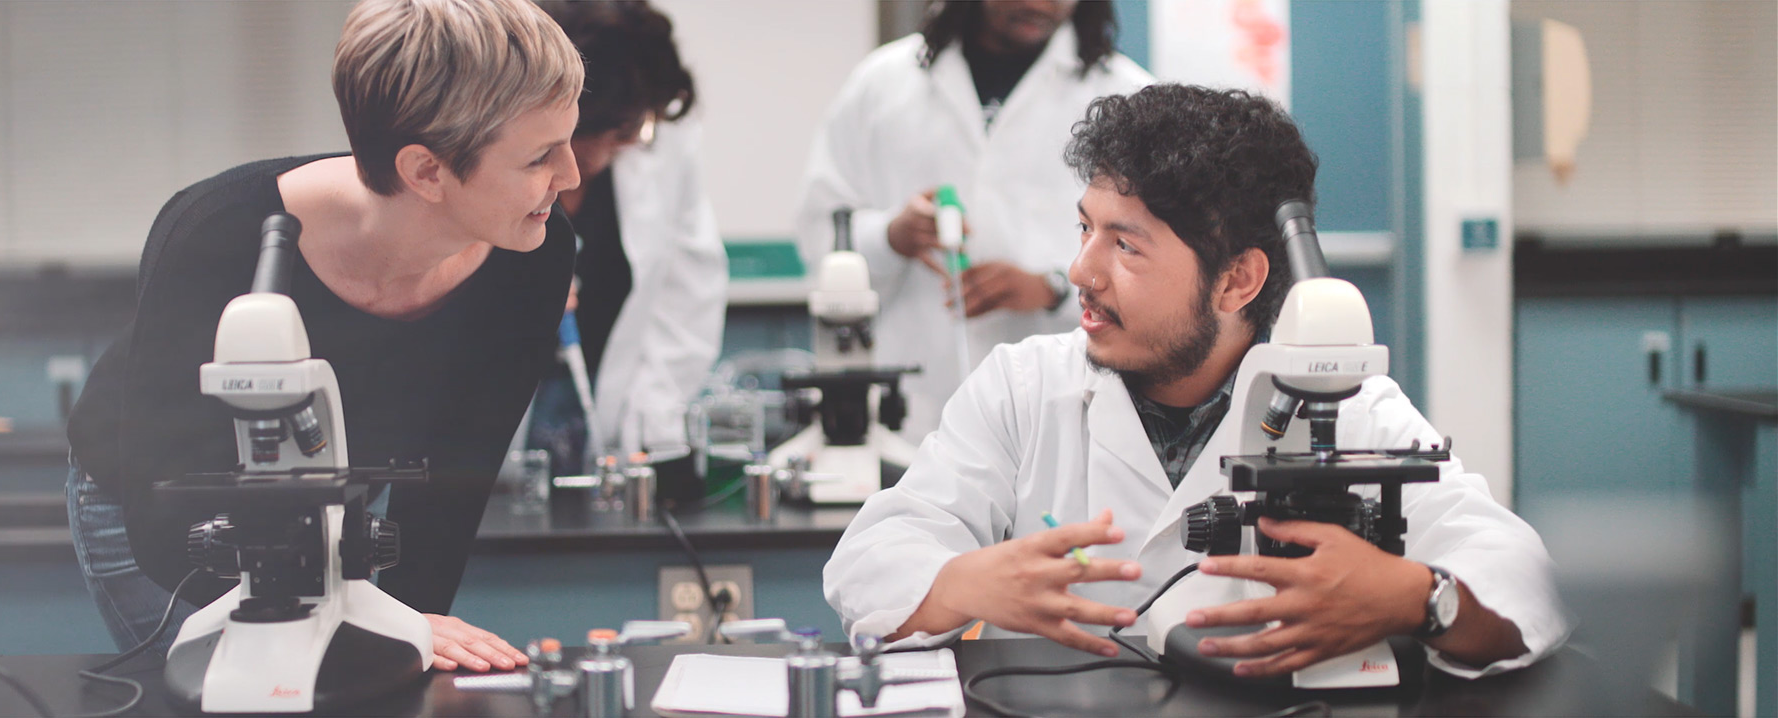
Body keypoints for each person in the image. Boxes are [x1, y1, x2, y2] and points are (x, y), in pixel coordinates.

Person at [824, 85, 1569, 679]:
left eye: (1127, 245)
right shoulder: (1022, 388)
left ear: (1237, 280)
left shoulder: (1343, 405)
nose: (1082, 271)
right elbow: (870, 558)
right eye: (1086, 228)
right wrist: (964, 583)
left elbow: (1522, 578)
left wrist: (1416, 599)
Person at [65, 0, 583, 673]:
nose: (571, 176)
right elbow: (167, 514)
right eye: (541, 156)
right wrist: (343, 622)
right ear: (426, 171)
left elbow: (453, 483)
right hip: (157, 511)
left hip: (332, 502)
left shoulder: (533, 256)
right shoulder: (216, 234)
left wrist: (403, 626)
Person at [796, 0, 1153, 443]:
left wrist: (1054, 289)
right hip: (912, 416)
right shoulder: (883, 84)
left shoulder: (1130, 98)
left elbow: (1160, 265)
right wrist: (891, 236)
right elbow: (819, 236)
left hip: (1068, 420)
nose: (1040, 4)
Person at [526, 0, 726, 475]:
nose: (635, 141)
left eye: (640, 124)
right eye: (619, 129)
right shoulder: (496, 143)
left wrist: (652, 418)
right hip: (501, 415)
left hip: (615, 416)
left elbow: (688, 291)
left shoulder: (660, 145)